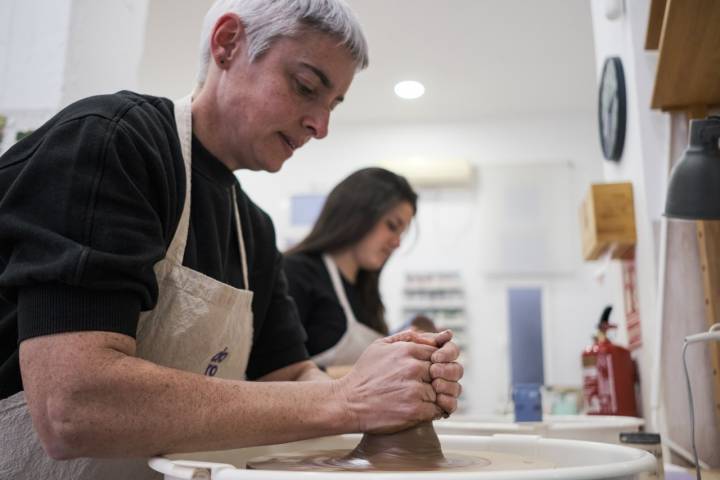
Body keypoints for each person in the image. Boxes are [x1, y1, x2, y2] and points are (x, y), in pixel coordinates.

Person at [0, 1, 463, 479]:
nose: (320, 127)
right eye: (306, 87)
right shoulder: (112, 144)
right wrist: (349, 399)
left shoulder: (253, 230)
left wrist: (400, 381)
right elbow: (75, 406)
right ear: (227, 44)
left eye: (332, 105)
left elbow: (290, 375)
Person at [285, 168, 437, 377]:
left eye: (402, 234)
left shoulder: (366, 293)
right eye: (392, 226)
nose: (397, 243)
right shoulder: (296, 273)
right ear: (356, 214)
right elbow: (277, 375)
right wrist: (379, 369)